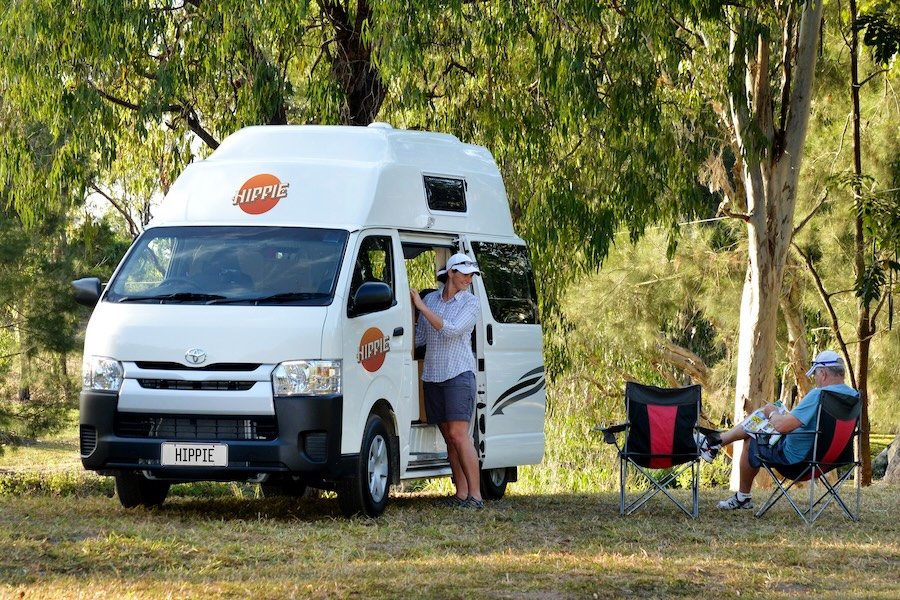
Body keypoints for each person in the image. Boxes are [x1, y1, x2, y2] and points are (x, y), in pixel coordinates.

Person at [697, 349, 859, 510]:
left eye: (816, 374)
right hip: (829, 461)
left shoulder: (819, 395)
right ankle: (716, 442)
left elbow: (782, 426)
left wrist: (772, 412)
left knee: (753, 436)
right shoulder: (853, 397)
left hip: (797, 461)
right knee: (761, 417)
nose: (816, 379)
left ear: (823, 373)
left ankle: (740, 494)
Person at [410, 253, 484, 509]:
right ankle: (461, 494)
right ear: (451, 272)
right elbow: (420, 338)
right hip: (432, 376)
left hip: (458, 375)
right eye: (464, 273)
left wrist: (421, 309)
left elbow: (452, 329)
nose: (468, 278)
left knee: (459, 435)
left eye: (471, 274)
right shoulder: (431, 299)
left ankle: (476, 495)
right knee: (448, 437)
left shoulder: (471, 303)